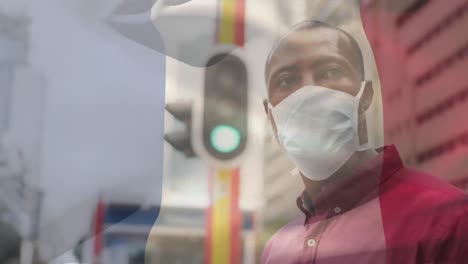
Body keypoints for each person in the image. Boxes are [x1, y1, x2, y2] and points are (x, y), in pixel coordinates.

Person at [261, 20, 468, 264]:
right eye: (286, 81)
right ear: (270, 115)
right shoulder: (276, 250)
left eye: (330, 72)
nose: (309, 91)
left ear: (365, 95)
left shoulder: (447, 220)